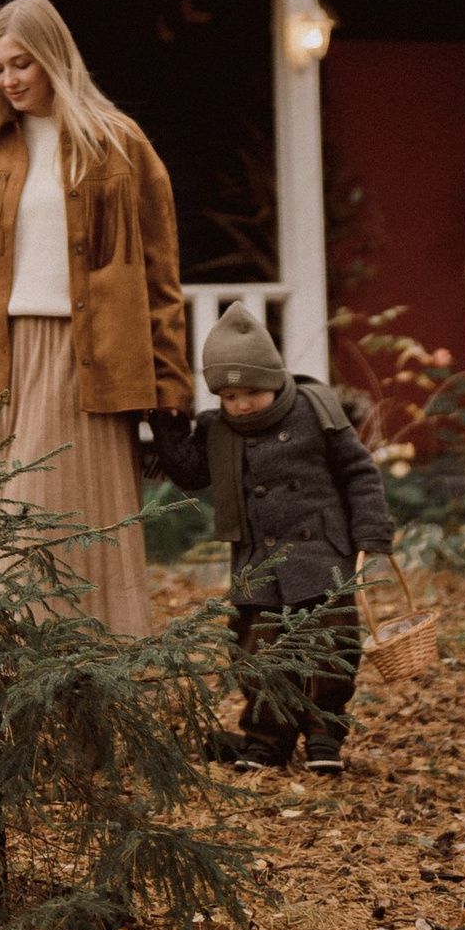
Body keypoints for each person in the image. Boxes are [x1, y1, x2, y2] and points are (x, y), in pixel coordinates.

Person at [0, 0, 188, 638]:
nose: (9, 80)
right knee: (24, 529)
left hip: (98, 363)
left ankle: (98, 694)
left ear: (56, 57)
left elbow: (161, 279)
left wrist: (169, 386)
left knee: (87, 529)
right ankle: (32, 699)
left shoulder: (120, 145)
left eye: (22, 63)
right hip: (10, 361)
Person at [166, 301, 394, 773]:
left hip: (322, 553)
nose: (242, 404)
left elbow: (359, 472)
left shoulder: (315, 410)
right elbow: (190, 474)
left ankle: (324, 738)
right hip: (258, 561)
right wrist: (166, 427)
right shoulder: (217, 430)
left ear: (273, 380)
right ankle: (267, 743)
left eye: (252, 392)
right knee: (259, 654)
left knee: (332, 650)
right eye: (229, 397)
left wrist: (371, 533)